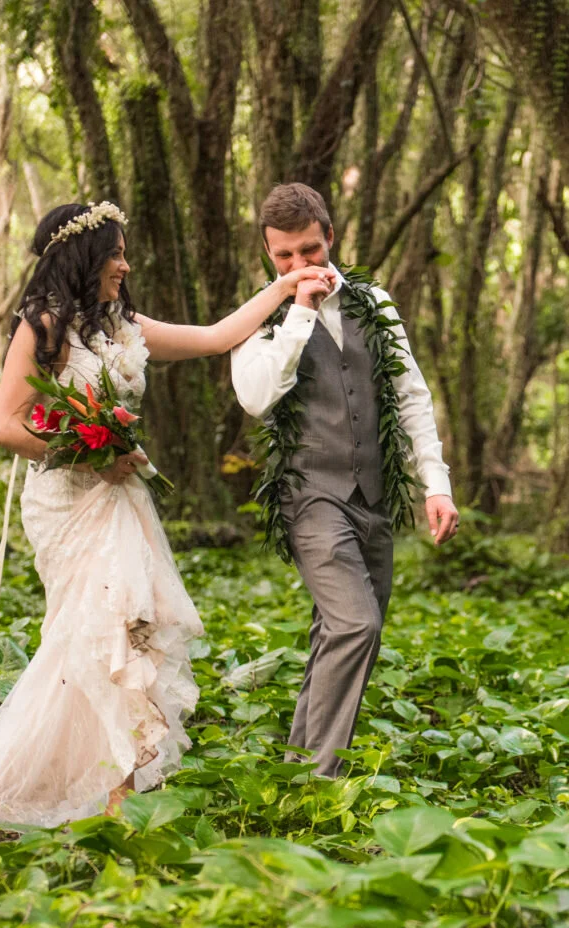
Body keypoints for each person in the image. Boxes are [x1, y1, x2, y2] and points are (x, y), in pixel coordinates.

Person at [0, 202, 335, 845]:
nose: (125, 263)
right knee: (86, 643)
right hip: (66, 502)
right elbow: (7, 425)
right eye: (116, 251)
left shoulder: (124, 328)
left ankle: (112, 792)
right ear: (84, 256)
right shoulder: (43, 325)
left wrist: (287, 286)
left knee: (117, 641)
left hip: (119, 501)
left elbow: (214, 336)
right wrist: (90, 449)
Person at [232, 183, 459, 778]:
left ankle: (297, 767)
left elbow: (410, 396)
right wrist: (299, 310)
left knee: (344, 631)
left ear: (330, 237)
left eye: (308, 251)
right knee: (356, 624)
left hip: (376, 497)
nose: (298, 266)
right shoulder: (262, 313)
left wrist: (436, 484)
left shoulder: (374, 302)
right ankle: (321, 779)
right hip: (310, 497)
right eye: (283, 257)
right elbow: (256, 399)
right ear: (268, 253)